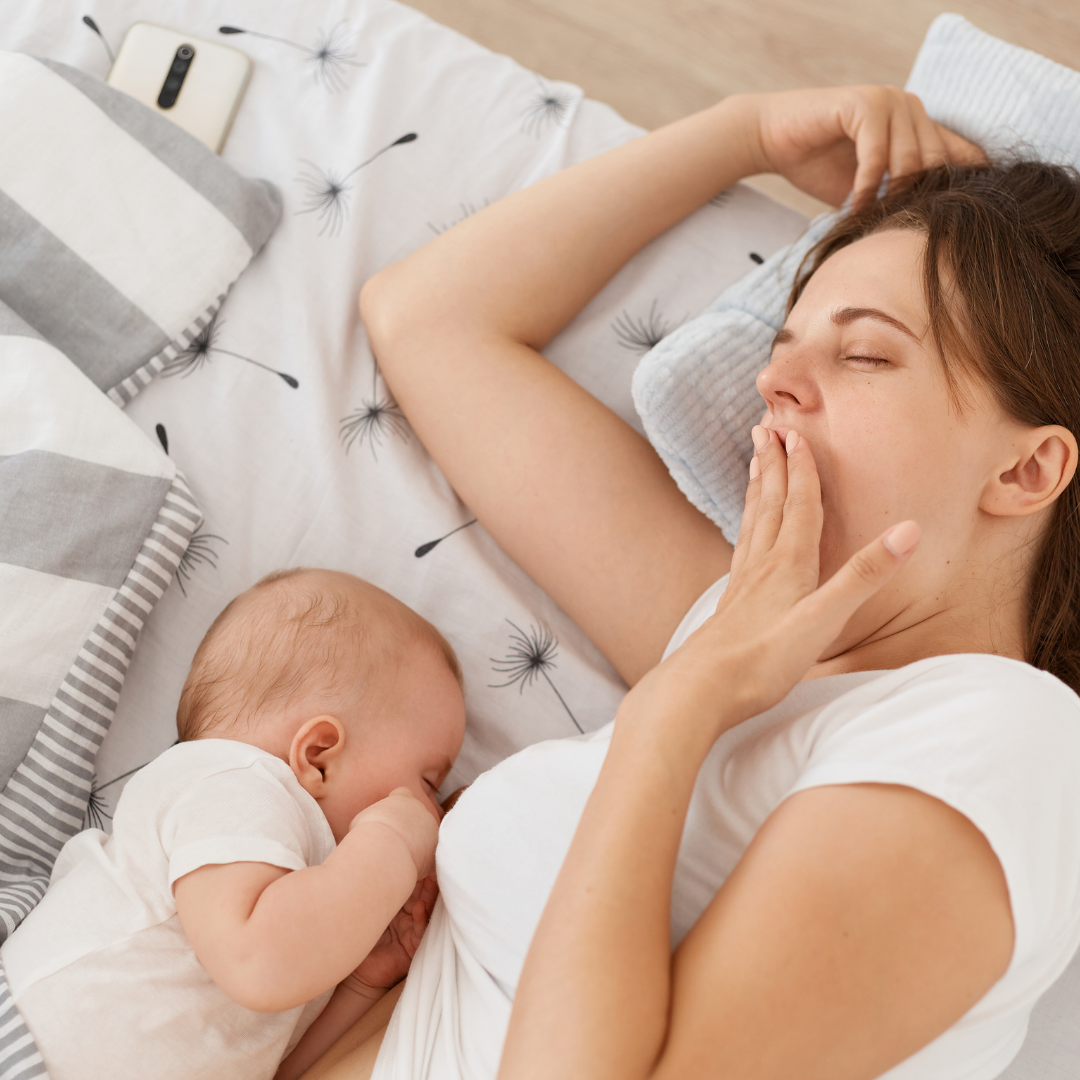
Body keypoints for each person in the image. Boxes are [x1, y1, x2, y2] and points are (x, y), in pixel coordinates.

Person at [338, 85, 1080, 1079]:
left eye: (865, 354)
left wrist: (675, 712)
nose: (775, 384)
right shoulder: (736, 631)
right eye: (781, 352)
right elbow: (425, 318)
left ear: (1026, 471)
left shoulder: (1001, 743)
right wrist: (748, 133)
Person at [0, 568, 466, 1080]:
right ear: (318, 757)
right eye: (427, 783)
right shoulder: (233, 782)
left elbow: (279, 1066)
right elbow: (260, 964)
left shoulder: (303, 907)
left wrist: (361, 983)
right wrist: (395, 840)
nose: (433, 812)